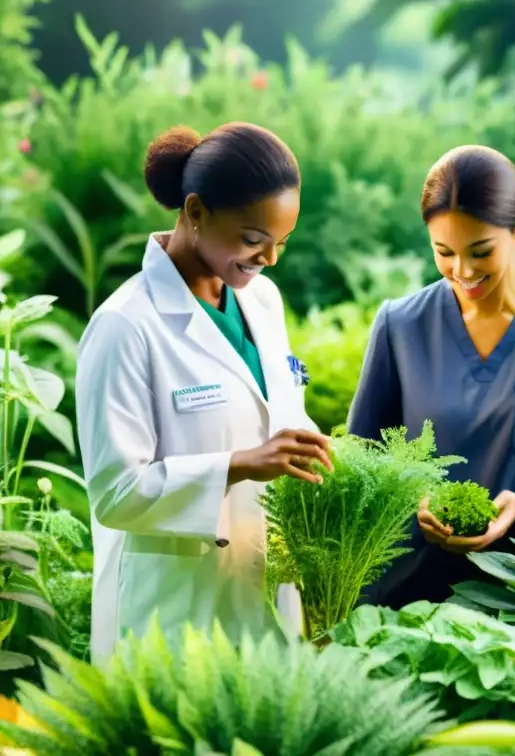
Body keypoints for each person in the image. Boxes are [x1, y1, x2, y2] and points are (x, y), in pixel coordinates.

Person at [76, 122, 332, 663]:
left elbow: (276, 415)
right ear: (195, 212)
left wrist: (315, 448)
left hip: (261, 583)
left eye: (281, 242)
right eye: (252, 240)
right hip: (170, 606)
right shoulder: (126, 325)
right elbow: (115, 492)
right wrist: (238, 464)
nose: (270, 259)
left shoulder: (261, 300)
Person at [346, 144, 515, 607]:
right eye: (444, 252)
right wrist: (415, 504)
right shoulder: (400, 325)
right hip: (410, 590)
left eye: (480, 251)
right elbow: (363, 461)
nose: (463, 271)